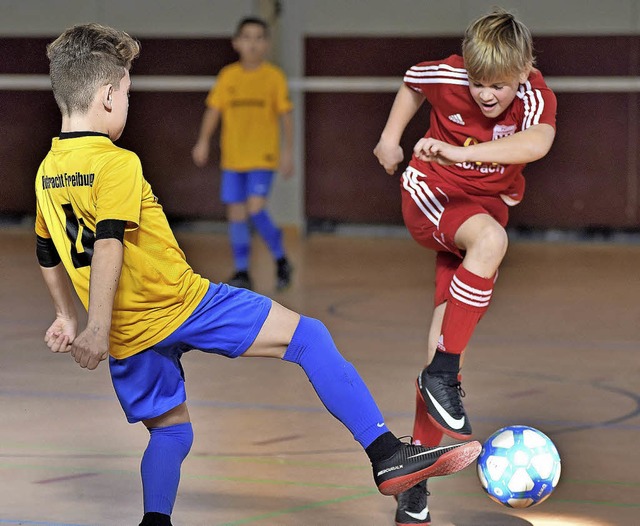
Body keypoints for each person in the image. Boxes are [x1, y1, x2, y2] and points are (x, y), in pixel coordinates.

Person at [35, 23, 481, 526]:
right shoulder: (116, 163)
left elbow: (47, 248)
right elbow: (110, 243)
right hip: (180, 305)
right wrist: (89, 325)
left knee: (171, 433)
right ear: (109, 96)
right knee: (309, 338)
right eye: (129, 93)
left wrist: (66, 317)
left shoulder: (48, 169)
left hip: (126, 335)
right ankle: (386, 455)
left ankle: (154, 522)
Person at [373, 7, 557, 526]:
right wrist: (391, 138)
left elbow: (538, 142)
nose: (485, 94)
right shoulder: (448, 72)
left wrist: (460, 153)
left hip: (481, 208)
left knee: (441, 341)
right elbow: (412, 82)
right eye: (478, 83)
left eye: (498, 85)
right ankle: (444, 375)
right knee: (492, 241)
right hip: (431, 194)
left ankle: (414, 484)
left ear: (524, 71)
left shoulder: (536, 94)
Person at [192, 16, 294, 292]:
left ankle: (281, 257)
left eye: (259, 37)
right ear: (236, 43)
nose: (252, 43)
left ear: (266, 44)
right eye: (247, 37)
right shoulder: (228, 76)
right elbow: (213, 111)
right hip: (233, 159)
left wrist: (288, 152)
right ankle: (242, 270)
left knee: (255, 208)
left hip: (262, 157)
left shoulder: (274, 77)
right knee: (236, 214)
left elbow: (286, 117)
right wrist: (203, 141)